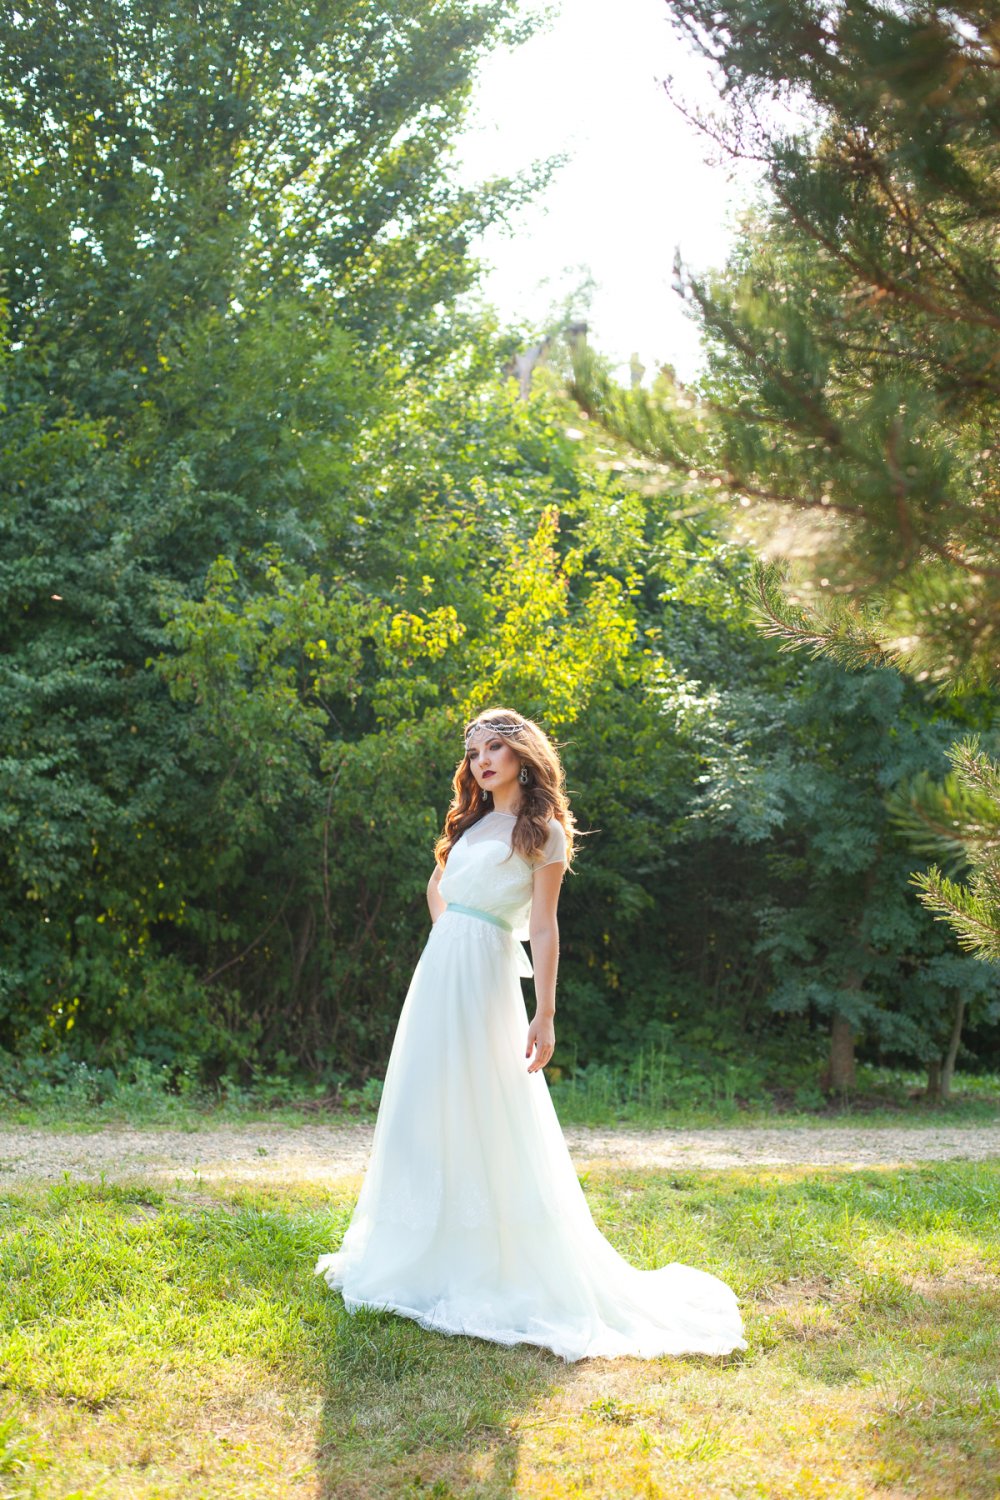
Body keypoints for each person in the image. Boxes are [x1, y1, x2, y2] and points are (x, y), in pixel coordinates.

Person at [315, 708, 747, 1361]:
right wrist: (451, 935)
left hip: (487, 977)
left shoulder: (542, 832)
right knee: (426, 1102)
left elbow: (543, 927)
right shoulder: (470, 824)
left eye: (495, 747)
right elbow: (437, 887)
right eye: (474, 752)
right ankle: (418, 1249)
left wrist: (543, 1013)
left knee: (487, 1103)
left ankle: (492, 1257)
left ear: (523, 756)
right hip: (441, 972)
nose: (483, 760)